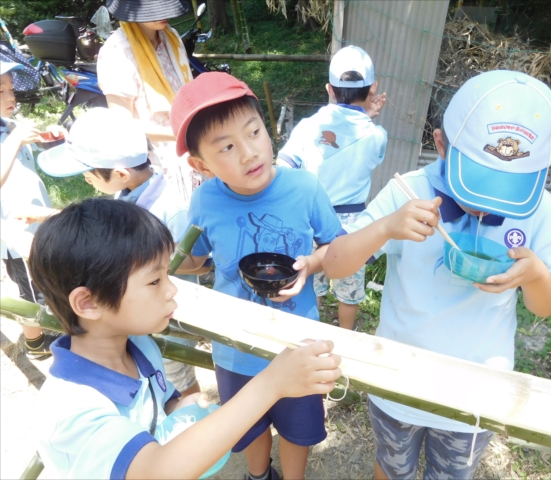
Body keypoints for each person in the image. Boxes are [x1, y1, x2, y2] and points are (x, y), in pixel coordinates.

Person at [323, 70, 551, 480]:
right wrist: (384, 228)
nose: (485, 209)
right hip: (398, 380)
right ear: (439, 144)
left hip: (476, 391)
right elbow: (334, 264)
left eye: (505, 190)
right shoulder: (409, 192)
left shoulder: (537, 207)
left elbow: (547, 306)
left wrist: (535, 275)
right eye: (476, 185)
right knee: (391, 465)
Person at [28, 198, 342, 479]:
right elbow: (155, 470)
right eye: (154, 280)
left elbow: (153, 413)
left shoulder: (139, 348)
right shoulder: (72, 408)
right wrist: (272, 383)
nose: (172, 289)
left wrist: (176, 406)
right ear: (89, 303)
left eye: (168, 275)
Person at [172, 72, 342, 480]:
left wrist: (312, 264)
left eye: (255, 132)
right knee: (248, 426)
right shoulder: (205, 200)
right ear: (201, 164)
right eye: (227, 147)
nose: (249, 152)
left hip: (298, 340)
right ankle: (258, 475)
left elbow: (336, 247)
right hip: (236, 346)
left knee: (298, 430)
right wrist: (168, 261)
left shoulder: (304, 187)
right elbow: (193, 259)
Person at [36, 107, 209, 396]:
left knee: (175, 375)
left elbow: (201, 263)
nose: (87, 180)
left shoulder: (170, 207)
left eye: (89, 173)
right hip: (134, 315)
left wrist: (157, 265)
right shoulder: (124, 198)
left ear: (119, 173)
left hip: (168, 316)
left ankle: (186, 418)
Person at [276, 45, 388, 330]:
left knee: (310, 276)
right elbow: (366, 151)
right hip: (352, 224)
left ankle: (313, 327)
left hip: (311, 218)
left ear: (329, 89)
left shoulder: (307, 126)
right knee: (349, 286)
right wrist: (367, 118)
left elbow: (283, 165)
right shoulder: (376, 136)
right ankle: (345, 337)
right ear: (373, 88)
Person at [97, 0, 201, 203]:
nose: (163, 15)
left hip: (192, 146)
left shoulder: (171, 37)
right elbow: (122, 124)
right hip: (157, 163)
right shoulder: (117, 52)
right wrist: (179, 135)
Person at [0, 60, 60, 358]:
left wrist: (51, 138)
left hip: (39, 223)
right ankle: (35, 343)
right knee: (30, 292)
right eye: (1, 91)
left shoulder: (10, 126)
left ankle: (45, 333)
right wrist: (14, 139)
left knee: (45, 282)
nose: (10, 97)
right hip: (16, 235)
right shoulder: (11, 133)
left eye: (10, 89)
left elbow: (31, 152)